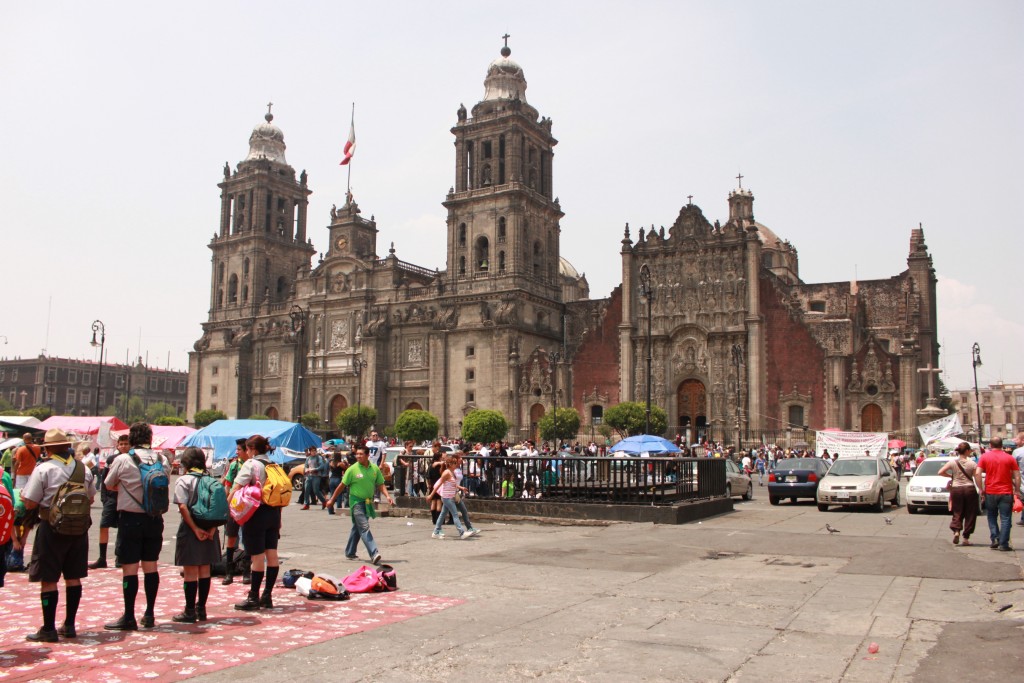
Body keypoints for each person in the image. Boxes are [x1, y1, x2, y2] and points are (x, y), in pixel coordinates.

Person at [20, 428, 97, 642]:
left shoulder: (44, 469)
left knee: (49, 578)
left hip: (51, 527)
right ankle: (70, 625)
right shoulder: (84, 469)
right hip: (79, 528)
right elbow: (90, 498)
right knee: (73, 577)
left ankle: (48, 628)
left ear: (49, 448)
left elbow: (30, 501)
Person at [103, 422, 171, 630]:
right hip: (154, 518)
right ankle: (149, 613)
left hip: (130, 518)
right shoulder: (162, 459)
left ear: (131, 438)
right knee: (151, 566)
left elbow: (108, 484)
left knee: (130, 568)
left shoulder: (123, 459)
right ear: (150, 439)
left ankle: (129, 616)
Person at [230, 434, 282, 611]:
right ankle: (267, 596)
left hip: (256, 513)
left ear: (252, 449)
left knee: (257, 556)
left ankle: (253, 597)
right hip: (274, 513)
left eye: (247, 448)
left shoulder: (251, 464)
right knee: (272, 554)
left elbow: (236, 486)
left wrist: (227, 506)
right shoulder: (274, 465)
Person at [171, 447, 222, 623]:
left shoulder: (183, 480)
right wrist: (212, 529)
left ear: (186, 463)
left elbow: (183, 507)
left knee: (190, 571)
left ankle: (189, 610)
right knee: (205, 570)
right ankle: (202, 609)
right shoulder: (211, 479)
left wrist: (194, 529)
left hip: (191, 529)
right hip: (210, 529)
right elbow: (219, 507)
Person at [325, 445, 393, 565]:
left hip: (368, 502)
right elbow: (341, 486)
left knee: (357, 527)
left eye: (361, 454)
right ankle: (374, 553)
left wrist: (387, 496)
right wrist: (332, 500)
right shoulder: (352, 469)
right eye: (357, 454)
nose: (358, 456)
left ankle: (350, 552)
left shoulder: (374, 469)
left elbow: (381, 484)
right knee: (364, 527)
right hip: (356, 502)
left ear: (368, 455)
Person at [89, 433, 131, 569]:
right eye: (121, 444)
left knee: (123, 527)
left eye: (126, 443)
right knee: (103, 525)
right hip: (111, 498)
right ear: (117, 445)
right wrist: (104, 498)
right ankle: (102, 558)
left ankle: (120, 556)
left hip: (125, 497)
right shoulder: (111, 459)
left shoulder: (132, 459)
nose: (124, 446)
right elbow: (104, 478)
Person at [973, 437, 1022, 552]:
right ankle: (1004, 544)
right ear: (1002, 445)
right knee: (1005, 518)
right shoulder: (1009, 458)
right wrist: (1017, 490)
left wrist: (981, 489)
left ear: (990, 445)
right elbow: (1017, 476)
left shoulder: (985, 457)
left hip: (990, 491)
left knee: (991, 516)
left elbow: (977, 473)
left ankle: (995, 538)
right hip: (1006, 492)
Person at [939, 443, 980, 546]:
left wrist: (951, 476)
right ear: (966, 451)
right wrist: (981, 489)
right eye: (969, 450)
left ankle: (956, 530)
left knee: (957, 511)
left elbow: (940, 472)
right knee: (970, 513)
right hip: (969, 489)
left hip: (956, 489)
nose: (970, 451)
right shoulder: (972, 463)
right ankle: (966, 537)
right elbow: (977, 477)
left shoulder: (953, 462)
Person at [221, 438, 248, 585]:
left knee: (248, 539)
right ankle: (229, 571)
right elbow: (228, 485)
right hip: (234, 505)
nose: (236, 452)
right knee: (231, 538)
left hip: (248, 506)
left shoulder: (252, 465)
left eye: (239, 449)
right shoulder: (234, 465)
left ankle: (246, 571)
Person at [430, 455, 473, 540]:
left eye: (456, 463)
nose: (456, 464)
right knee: (455, 514)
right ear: (449, 464)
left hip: (450, 496)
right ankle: (461, 532)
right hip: (447, 497)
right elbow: (438, 484)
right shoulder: (446, 472)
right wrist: (431, 495)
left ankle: (436, 532)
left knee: (442, 514)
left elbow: (453, 484)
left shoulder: (451, 472)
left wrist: (461, 488)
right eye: (454, 463)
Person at [300, 446, 327, 510]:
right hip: (309, 476)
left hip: (316, 476)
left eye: (315, 450)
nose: (314, 452)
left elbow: (322, 466)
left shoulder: (319, 458)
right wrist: (306, 470)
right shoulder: (308, 458)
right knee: (306, 490)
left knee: (316, 490)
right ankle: (306, 504)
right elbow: (306, 465)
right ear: (310, 451)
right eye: (312, 451)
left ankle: (324, 501)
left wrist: (315, 469)